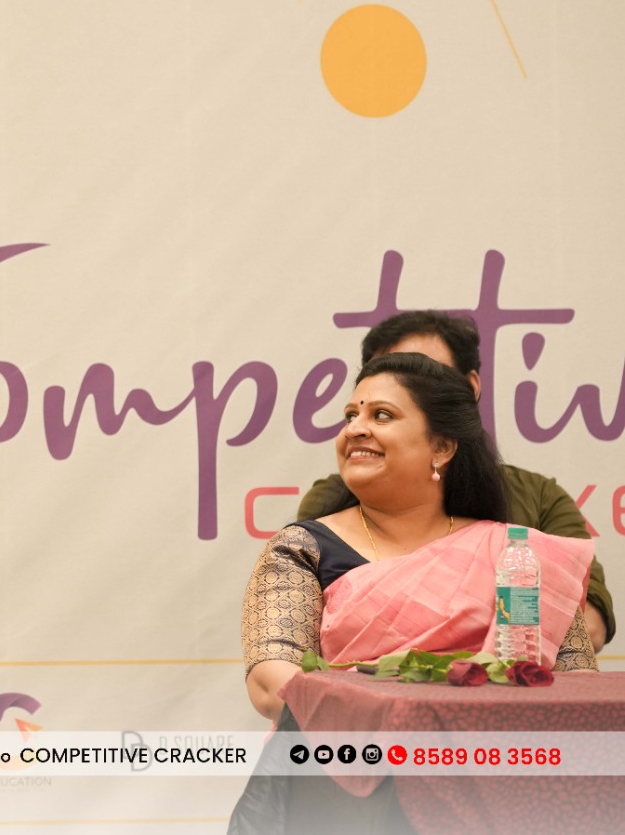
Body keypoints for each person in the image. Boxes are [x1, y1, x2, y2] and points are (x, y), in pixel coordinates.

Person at [243, 352, 597, 725]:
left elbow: (578, 684)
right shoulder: (302, 549)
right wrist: (405, 724)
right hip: (356, 750)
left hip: (505, 751)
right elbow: (272, 682)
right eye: (350, 416)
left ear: (441, 447)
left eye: (381, 415)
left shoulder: (516, 555)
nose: (354, 429)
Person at [298, 310, 614, 651]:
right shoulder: (326, 512)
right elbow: (295, 647)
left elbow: (586, 629)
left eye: (426, 372)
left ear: (469, 388)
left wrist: (477, 669)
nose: (404, 381)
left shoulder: (538, 498)